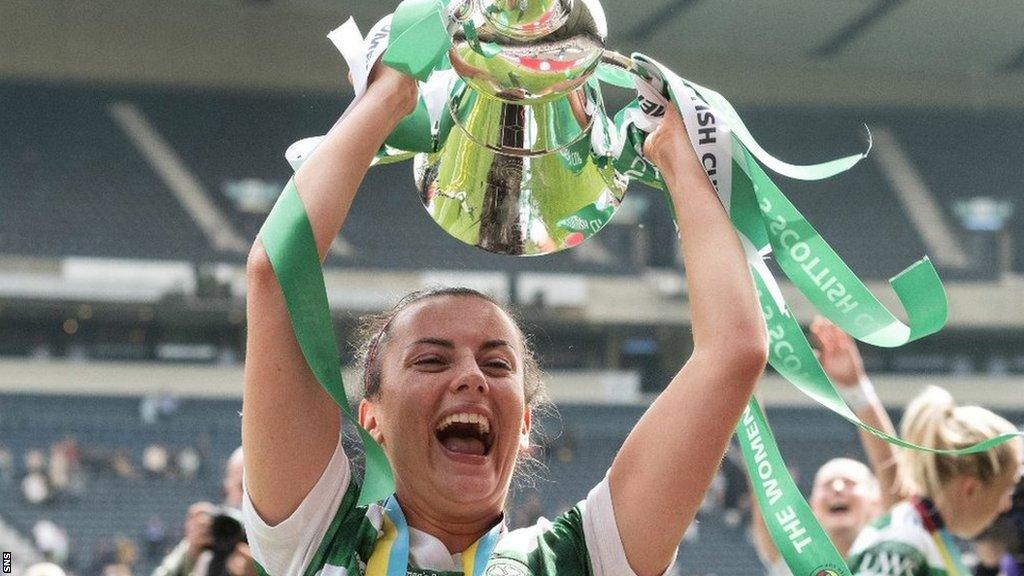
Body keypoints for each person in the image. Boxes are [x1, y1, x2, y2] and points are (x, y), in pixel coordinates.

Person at [241, 54, 769, 575]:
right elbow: (277, 275)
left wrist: (677, 153)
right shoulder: (318, 539)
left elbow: (733, 353)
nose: (471, 378)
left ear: (523, 425)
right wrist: (390, 91)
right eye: (430, 361)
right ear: (371, 418)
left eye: (497, 365)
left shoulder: (581, 560)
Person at [750, 317, 898, 574]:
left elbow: (892, 473)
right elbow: (764, 479)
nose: (838, 489)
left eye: (850, 483)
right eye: (827, 485)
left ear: (876, 502)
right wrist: (746, 380)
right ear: (814, 508)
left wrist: (857, 391)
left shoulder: (896, 556)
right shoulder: (791, 563)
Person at [847, 386, 1022, 575]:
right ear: (970, 489)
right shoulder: (901, 542)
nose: (1007, 505)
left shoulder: (928, 537)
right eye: (1006, 490)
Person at [154, 447, 244, 576]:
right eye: (242, 487)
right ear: (227, 489)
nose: (251, 499)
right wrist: (190, 554)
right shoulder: (214, 535)